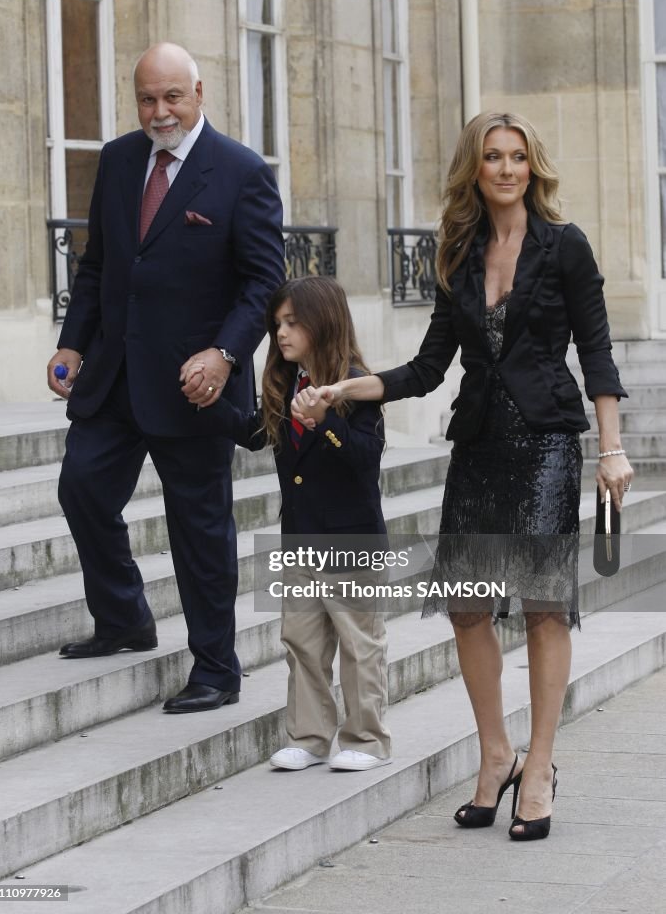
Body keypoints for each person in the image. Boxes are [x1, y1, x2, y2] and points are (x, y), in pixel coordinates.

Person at [292, 113, 633, 835]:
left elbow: (596, 354)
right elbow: (423, 369)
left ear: (530, 167)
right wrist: (341, 386)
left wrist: (610, 449)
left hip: (544, 443)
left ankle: (538, 766)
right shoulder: (457, 253)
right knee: (467, 608)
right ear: (473, 170)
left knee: (542, 606)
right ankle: (494, 756)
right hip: (476, 446)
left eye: (516, 157)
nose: (505, 169)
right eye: (491, 158)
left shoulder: (564, 245)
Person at [46, 42, 285, 714]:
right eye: (147, 98)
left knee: (199, 530)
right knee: (82, 489)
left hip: (195, 386)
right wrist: (72, 346)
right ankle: (124, 617)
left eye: (171, 97)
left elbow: (263, 281)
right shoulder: (120, 160)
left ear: (199, 92)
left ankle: (216, 668)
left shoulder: (241, 173)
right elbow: (98, 269)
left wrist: (225, 355)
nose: (159, 111)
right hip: (116, 376)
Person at [211, 276, 391, 771]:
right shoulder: (286, 382)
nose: (282, 333)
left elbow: (365, 459)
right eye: (277, 324)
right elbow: (255, 433)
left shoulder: (357, 384)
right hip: (299, 536)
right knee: (302, 642)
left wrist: (324, 423)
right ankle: (310, 737)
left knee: (358, 643)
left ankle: (366, 740)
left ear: (322, 323)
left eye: (293, 323)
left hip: (350, 538)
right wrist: (211, 404)